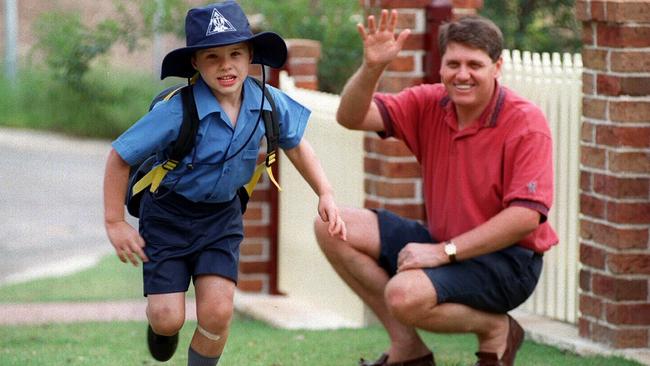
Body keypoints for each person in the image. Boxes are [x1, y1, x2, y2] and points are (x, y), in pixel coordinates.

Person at [103, 1, 346, 365]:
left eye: (235, 53)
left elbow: (296, 144)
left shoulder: (267, 102)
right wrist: (115, 222)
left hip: (221, 218)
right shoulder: (176, 110)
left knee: (217, 313)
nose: (226, 65)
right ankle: (161, 329)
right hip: (168, 215)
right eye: (212, 57)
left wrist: (325, 192)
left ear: (250, 56)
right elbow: (120, 156)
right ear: (195, 64)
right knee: (168, 318)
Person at [314, 10, 558, 366]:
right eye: (453, 63)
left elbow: (525, 218)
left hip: (509, 261)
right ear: (441, 66)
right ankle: (408, 351)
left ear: (497, 66)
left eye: (474, 64)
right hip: (446, 241)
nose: (462, 75)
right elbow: (351, 117)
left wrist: (443, 252)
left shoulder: (525, 122)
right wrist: (372, 67)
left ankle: (495, 328)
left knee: (403, 295)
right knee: (332, 227)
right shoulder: (430, 102)